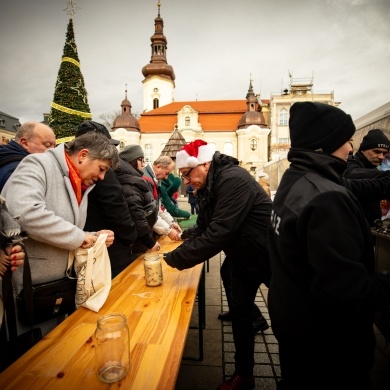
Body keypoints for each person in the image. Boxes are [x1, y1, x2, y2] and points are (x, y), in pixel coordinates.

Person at [267, 102, 390, 390]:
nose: (351, 147)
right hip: (326, 342)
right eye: (347, 140)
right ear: (329, 142)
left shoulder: (294, 178)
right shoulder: (327, 198)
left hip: (294, 322)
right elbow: (345, 290)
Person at [163, 139, 272, 390]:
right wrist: (185, 238)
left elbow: (219, 232)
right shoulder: (209, 185)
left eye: (187, 175)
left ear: (204, 164)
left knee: (290, 319)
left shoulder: (233, 179)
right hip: (242, 258)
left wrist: (172, 260)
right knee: (241, 317)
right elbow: (204, 225)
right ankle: (244, 375)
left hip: (268, 256)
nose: (186, 181)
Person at [1, 132, 118, 337]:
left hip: (57, 290)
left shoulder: (80, 181)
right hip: (30, 289)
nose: (102, 177)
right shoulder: (38, 164)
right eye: (101, 169)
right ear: (82, 155)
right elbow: (24, 210)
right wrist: (80, 237)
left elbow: (65, 228)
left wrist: (92, 236)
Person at [75, 121, 137, 278]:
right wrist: (130, 236)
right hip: (110, 252)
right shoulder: (101, 172)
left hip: (96, 248)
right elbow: (116, 207)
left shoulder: (89, 171)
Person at [116, 144, 160, 257]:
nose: (143, 164)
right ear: (133, 160)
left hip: (138, 240)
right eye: (141, 160)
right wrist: (150, 242)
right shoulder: (129, 183)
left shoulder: (131, 179)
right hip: (137, 243)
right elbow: (137, 214)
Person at [344, 128, 390, 226]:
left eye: (384, 153)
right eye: (377, 151)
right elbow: (352, 174)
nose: (381, 156)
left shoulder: (374, 169)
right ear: (363, 150)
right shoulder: (350, 164)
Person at [0, 121, 56, 191]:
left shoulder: (7, 157)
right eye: (47, 145)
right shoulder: (21, 172)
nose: (53, 150)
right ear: (25, 143)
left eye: (54, 146)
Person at [142, 155, 182, 241]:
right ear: (158, 166)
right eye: (166, 173)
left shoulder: (155, 180)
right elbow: (148, 213)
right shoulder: (146, 180)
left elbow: (158, 208)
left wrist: (171, 223)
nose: (166, 177)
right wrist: (168, 231)